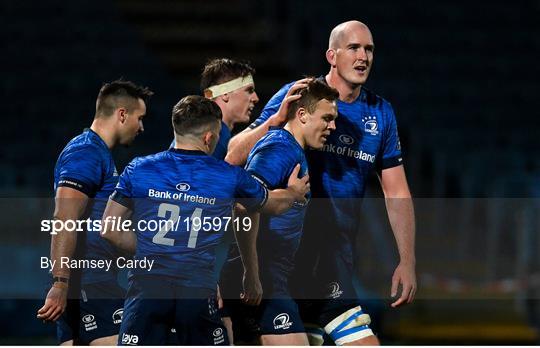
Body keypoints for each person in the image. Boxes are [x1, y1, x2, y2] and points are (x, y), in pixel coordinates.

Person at [226, 20, 417, 345]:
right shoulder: (299, 96)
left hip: (332, 263)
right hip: (282, 262)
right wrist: (274, 121)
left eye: (369, 49)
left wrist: (408, 259)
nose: (363, 56)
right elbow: (233, 157)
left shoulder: (380, 113)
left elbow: (396, 190)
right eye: (354, 48)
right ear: (332, 54)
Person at [100, 95, 309, 345]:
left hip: (146, 291)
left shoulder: (139, 168)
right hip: (197, 292)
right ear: (209, 137)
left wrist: (153, 250)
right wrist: (293, 193)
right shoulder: (228, 176)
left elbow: (109, 229)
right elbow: (272, 206)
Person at [221, 79, 339, 345]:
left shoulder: (292, 149)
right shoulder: (279, 148)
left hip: (269, 279)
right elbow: (242, 204)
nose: (332, 126)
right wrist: (251, 274)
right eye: (327, 118)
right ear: (302, 115)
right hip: (261, 280)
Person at [36, 80, 153, 345]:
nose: (142, 127)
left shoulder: (98, 153)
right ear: (122, 114)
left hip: (91, 282)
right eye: (140, 118)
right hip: (89, 283)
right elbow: (64, 218)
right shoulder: (86, 152)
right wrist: (61, 282)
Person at [170, 58, 259, 160]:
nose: (255, 98)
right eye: (249, 90)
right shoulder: (214, 135)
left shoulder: (195, 130)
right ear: (225, 93)